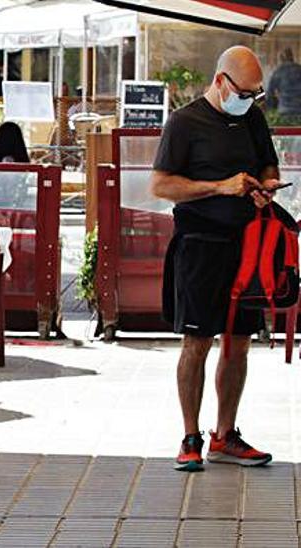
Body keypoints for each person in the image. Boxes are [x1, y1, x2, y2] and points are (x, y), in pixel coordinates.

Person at [151, 45, 283, 472]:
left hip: (248, 243)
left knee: (240, 341)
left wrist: (266, 187)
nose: (249, 100)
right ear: (221, 82)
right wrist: (219, 187)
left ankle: (225, 435)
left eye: (255, 94)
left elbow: (268, 165)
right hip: (200, 243)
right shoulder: (184, 122)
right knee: (197, 340)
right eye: (244, 93)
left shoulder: (252, 118)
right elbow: (161, 185)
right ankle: (190, 435)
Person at [267, 48, 301, 122]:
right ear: (292, 57)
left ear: (281, 58)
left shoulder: (278, 71)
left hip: (284, 110)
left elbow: (270, 93)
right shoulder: (299, 69)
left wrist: (270, 109)